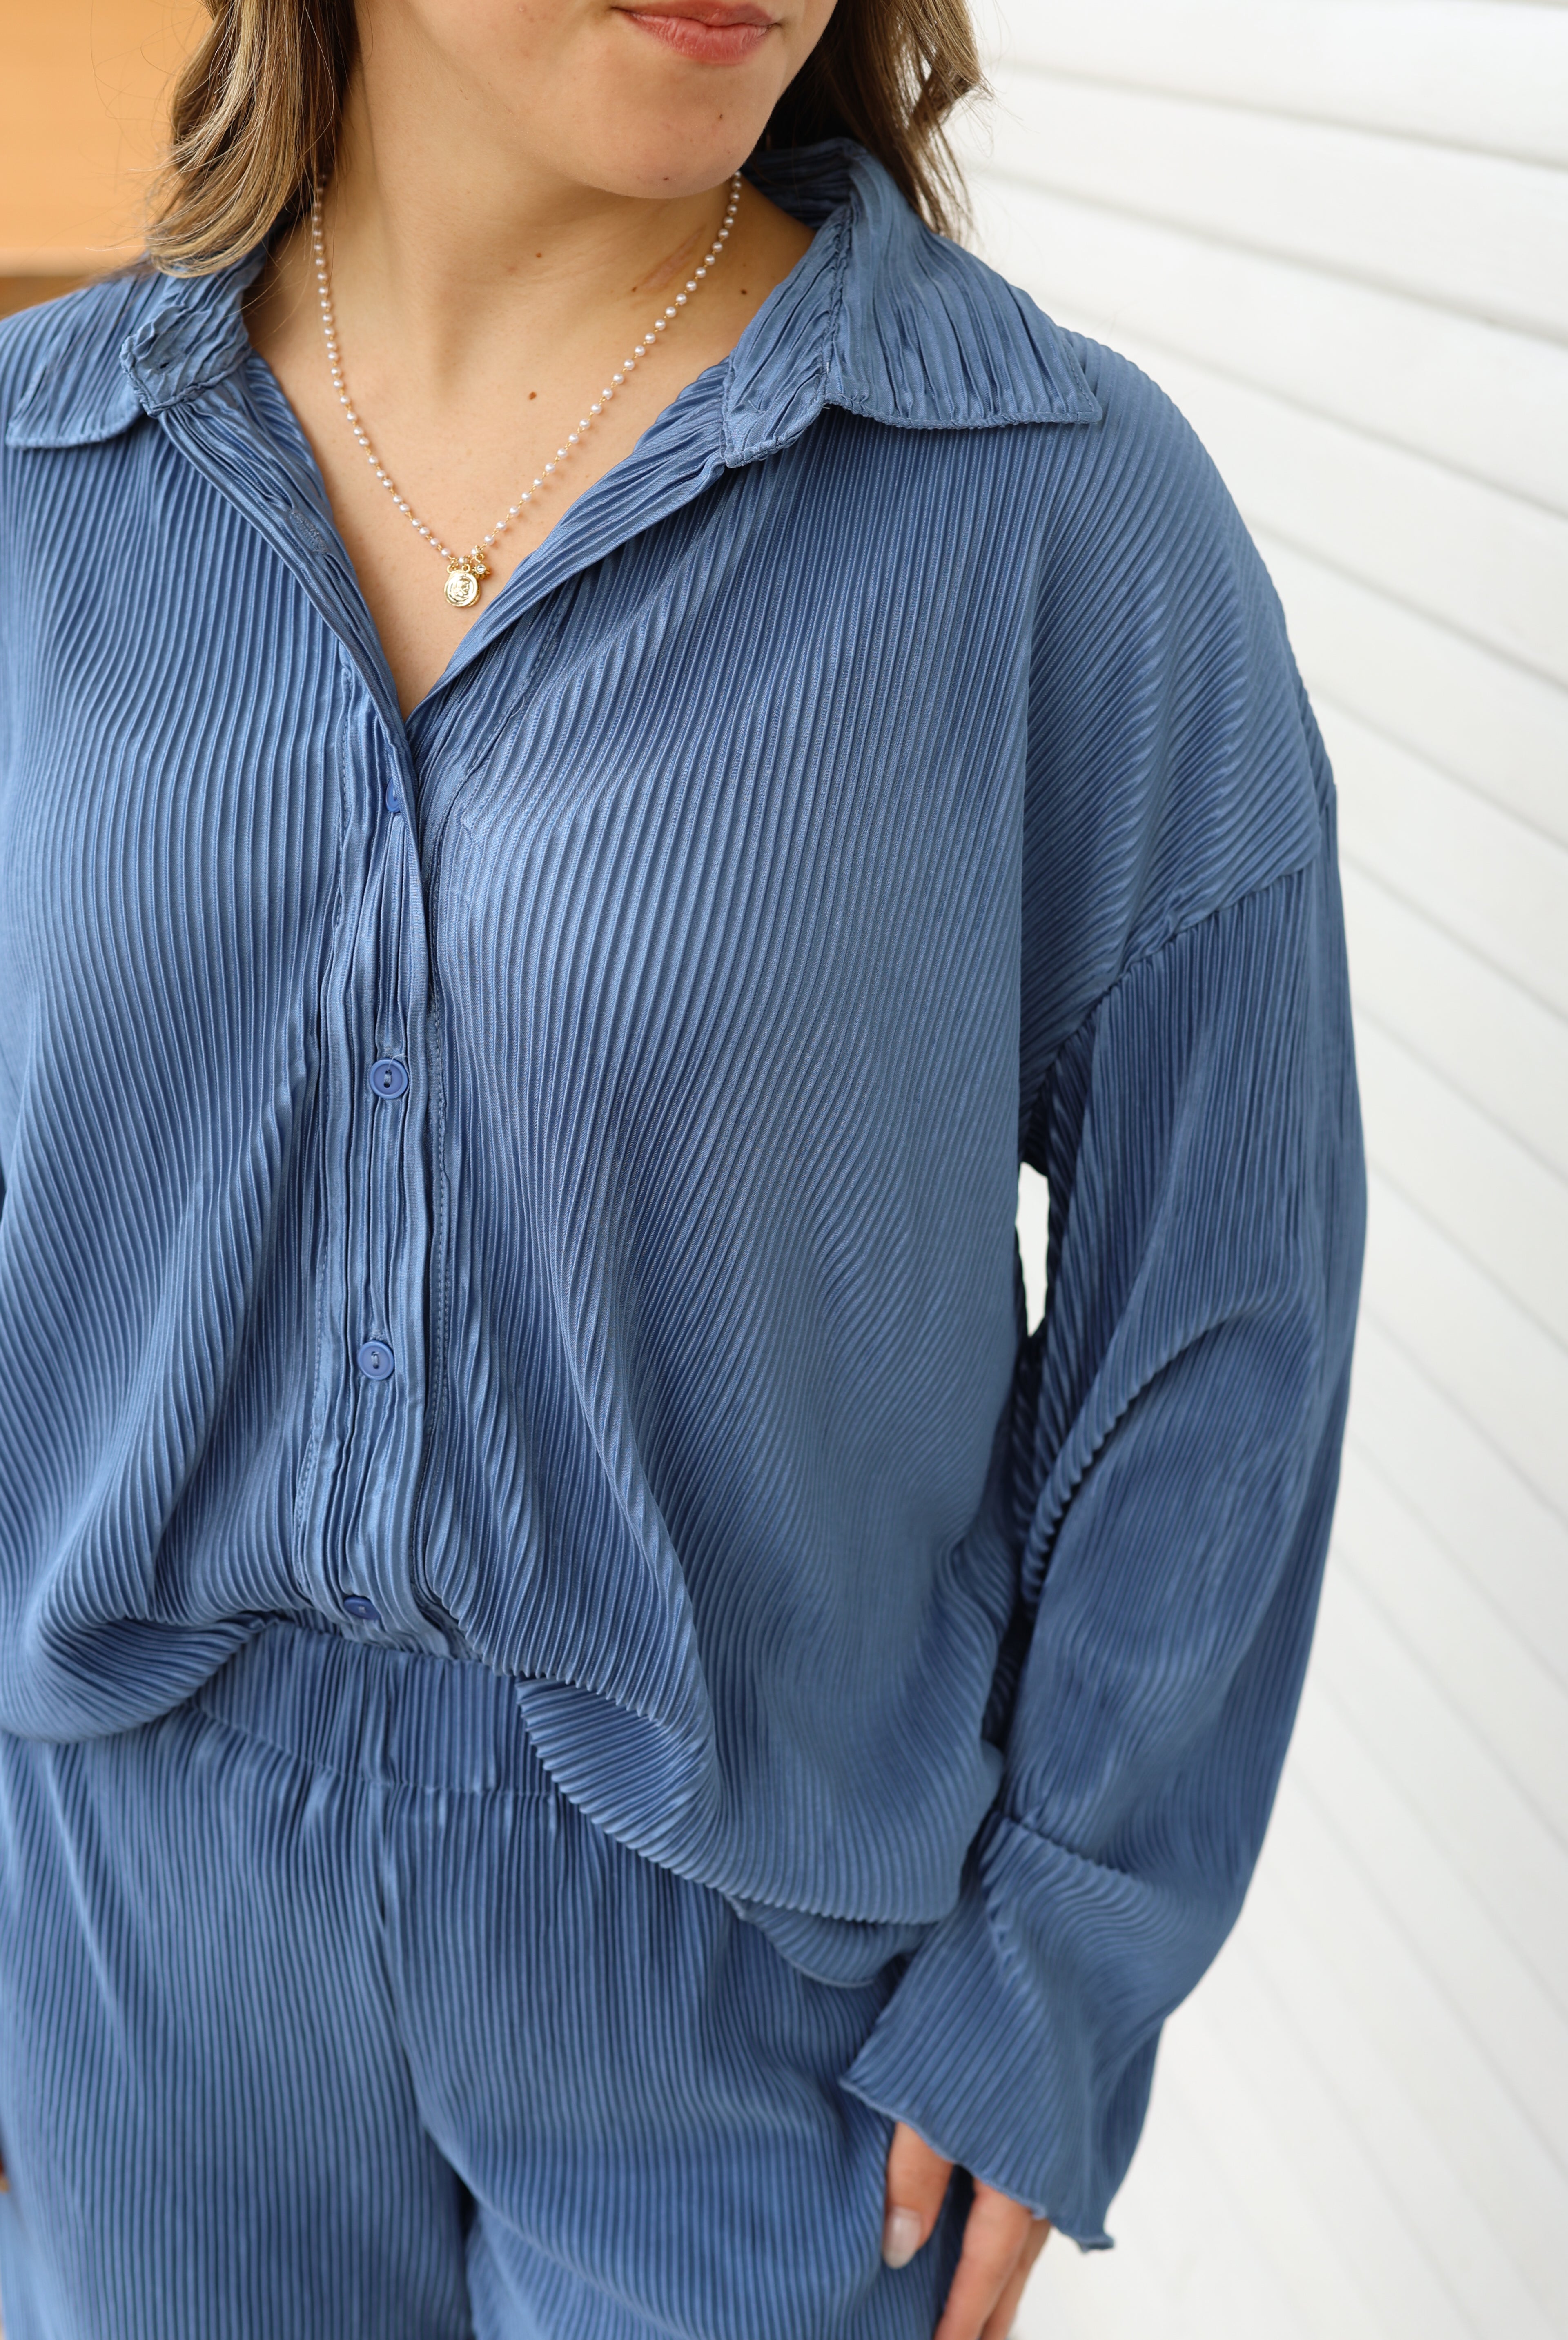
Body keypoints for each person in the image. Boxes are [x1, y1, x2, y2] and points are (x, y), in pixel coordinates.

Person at [0, 0, 1364, 2330]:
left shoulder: (1055, 514)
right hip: (125, 1938)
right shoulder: (44, 488)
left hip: (759, 2008)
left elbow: (1223, 1313)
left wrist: (1056, 1971)